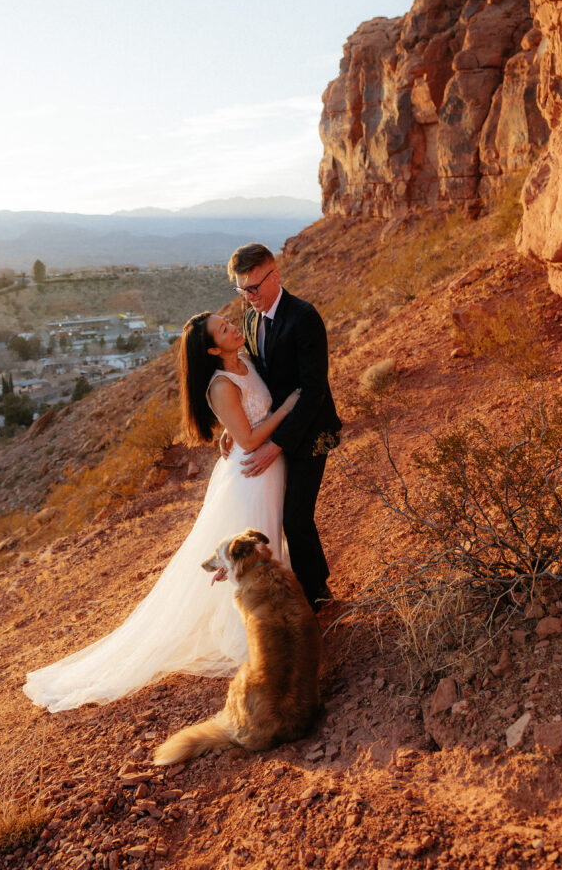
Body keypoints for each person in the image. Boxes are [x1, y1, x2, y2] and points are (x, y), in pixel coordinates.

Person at [23, 311, 299, 712]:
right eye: (224, 330)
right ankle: (252, 634)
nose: (233, 328)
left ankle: (273, 619)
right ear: (211, 349)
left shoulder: (246, 362)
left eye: (229, 323)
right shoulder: (220, 385)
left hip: (267, 468)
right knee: (255, 548)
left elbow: (245, 419)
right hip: (252, 473)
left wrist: (236, 428)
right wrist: (288, 408)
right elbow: (251, 437)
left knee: (270, 540)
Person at [227, 243, 342, 611]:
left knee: (295, 516)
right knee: (275, 515)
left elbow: (314, 390)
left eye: (254, 287)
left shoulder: (304, 317)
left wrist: (276, 443)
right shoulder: (250, 319)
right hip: (274, 429)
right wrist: (237, 423)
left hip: (311, 433)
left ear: (274, 276)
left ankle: (318, 595)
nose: (249, 297)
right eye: (241, 289)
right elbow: (258, 380)